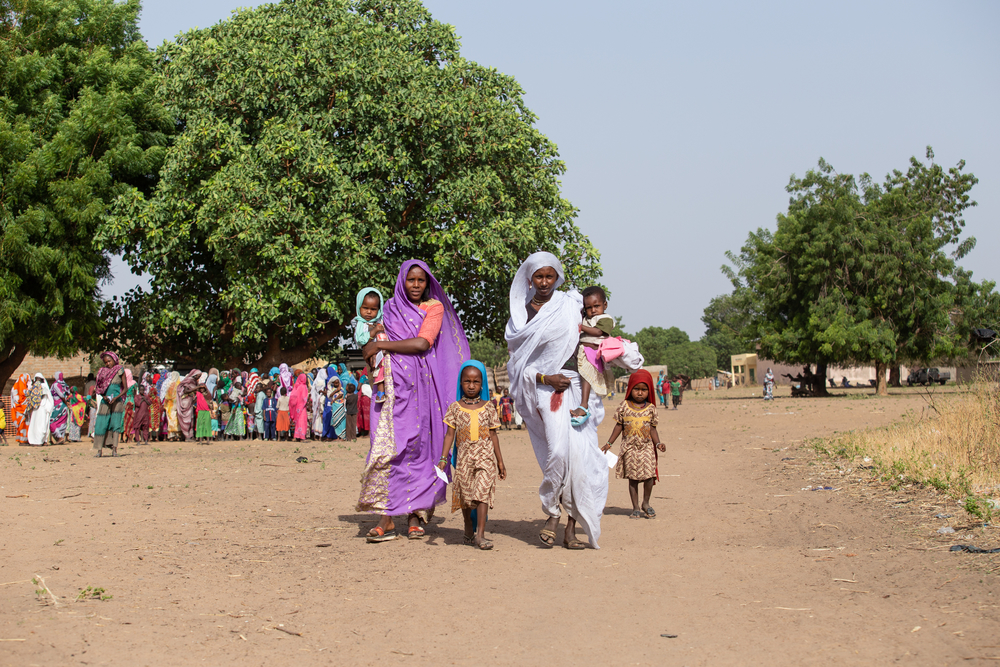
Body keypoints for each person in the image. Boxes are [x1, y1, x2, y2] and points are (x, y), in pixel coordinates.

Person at [357, 259, 470, 542]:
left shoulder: (434, 308)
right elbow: (368, 341)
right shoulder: (390, 308)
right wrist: (372, 347)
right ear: (401, 281)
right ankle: (386, 518)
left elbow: (422, 343)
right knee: (387, 450)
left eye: (421, 280)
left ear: (427, 282)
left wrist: (379, 344)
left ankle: (414, 515)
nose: (416, 285)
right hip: (390, 390)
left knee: (419, 451)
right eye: (411, 280)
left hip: (422, 390)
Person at [505, 252, 608, 550]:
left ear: (558, 276)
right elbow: (519, 367)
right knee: (559, 452)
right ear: (529, 279)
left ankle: (569, 529)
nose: (545, 282)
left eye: (550, 276)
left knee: (581, 458)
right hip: (545, 388)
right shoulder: (523, 316)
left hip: (577, 388)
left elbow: (596, 335)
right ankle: (551, 512)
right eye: (539, 276)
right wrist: (547, 379)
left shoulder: (570, 305)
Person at [438, 361, 507, 550]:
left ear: (482, 384)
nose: (471, 385)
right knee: (467, 496)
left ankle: (480, 535)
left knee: (482, 493)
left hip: (485, 458)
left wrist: (500, 462)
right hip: (464, 459)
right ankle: (468, 526)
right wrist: (443, 458)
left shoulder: (489, 407)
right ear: (460, 383)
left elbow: (493, 435)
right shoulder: (454, 408)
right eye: (467, 381)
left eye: (475, 382)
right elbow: (449, 435)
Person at [602, 370, 664, 519]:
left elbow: (652, 429)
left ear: (649, 390)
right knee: (633, 479)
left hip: (647, 447)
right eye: (637, 389)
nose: (640, 393)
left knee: (650, 476)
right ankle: (635, 507)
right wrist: (609, 443)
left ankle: (646, 503)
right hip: (629, 448)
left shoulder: (650, 408)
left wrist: (658, 444)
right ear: (630, 389)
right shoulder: (624, 406)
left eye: (644, 389)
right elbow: (618, 426)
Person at [571, 286, 616, 424]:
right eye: (589, 308)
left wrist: (580, 327)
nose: (593, 310)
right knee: (584, 379)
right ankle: (586, 406)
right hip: (584, 352)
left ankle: (584, 405)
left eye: (597, 306)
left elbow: (597, 332)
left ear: (605, 305)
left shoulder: (605, 319)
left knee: (586, 377)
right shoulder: (585, 319)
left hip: (594, 354)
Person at [354, 288, 389, 403]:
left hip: (383, 350)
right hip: (372, 353)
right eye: (365, 308)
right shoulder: (360, 323)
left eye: (373, 309)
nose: (369, 312)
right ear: (359, 307)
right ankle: (380, 391)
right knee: (377, 369)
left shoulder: (381, 320)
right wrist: (374, 332)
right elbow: (359, 340)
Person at [92, 352, 126, 456]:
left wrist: (116, 397)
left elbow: (125, 389)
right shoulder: (102, 372)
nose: (107, 364)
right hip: (105, 401)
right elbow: (98, 388)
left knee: (115, 425)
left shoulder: (120, 370)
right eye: (105, 362)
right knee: (101, 424)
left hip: (117, 401)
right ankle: (99, 450)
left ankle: (114, 449)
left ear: (114, 360)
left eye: (109, 361)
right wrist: (104, 396)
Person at [27, 374, 54, 446]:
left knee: (42, 425)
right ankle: (37, 441)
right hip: (38, 407)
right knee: (38, 424)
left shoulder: (43, 386)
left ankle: (42, 441)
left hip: (42, 407)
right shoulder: (36, 387)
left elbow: (45, 395)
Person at [11, 373, 31, 445]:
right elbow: (18, 399)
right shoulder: (16, 388)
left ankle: (25, 440)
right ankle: (22, 440)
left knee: (25, 424)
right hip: (19, 409)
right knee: (22, 424)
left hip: (22, 409)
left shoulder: (21, 387)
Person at [289, 374, 309, 441]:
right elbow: (304, 397)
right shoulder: (303, 387)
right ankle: (302, 437)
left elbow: (293, 397)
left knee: (298, 421)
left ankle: (297, 436)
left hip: (297, 407)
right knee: (303, 421)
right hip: (302, 407)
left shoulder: (297, 386)